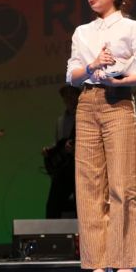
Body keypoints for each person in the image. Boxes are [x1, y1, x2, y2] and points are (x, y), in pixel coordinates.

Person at [65, 0, 136, 272]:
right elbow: (72, 75)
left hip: (118, 101)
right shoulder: (82, 32)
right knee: (89, 186)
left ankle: (127, 265)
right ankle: (97, 263)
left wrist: (123, 79)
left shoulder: (132, 27)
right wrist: (92, 66)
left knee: (123, 185)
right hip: (87, 103)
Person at [41, 85, 81, 219]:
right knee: (53, 206)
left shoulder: (86, 116)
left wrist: (77, 147)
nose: (68, 97)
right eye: (65, 95)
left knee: (82, 205)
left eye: (71, 94)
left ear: (78, 96)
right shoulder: (60, 120)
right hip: (64, 169)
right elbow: (59, 143)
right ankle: (51, 232)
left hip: (81, 168)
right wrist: (50, 150)